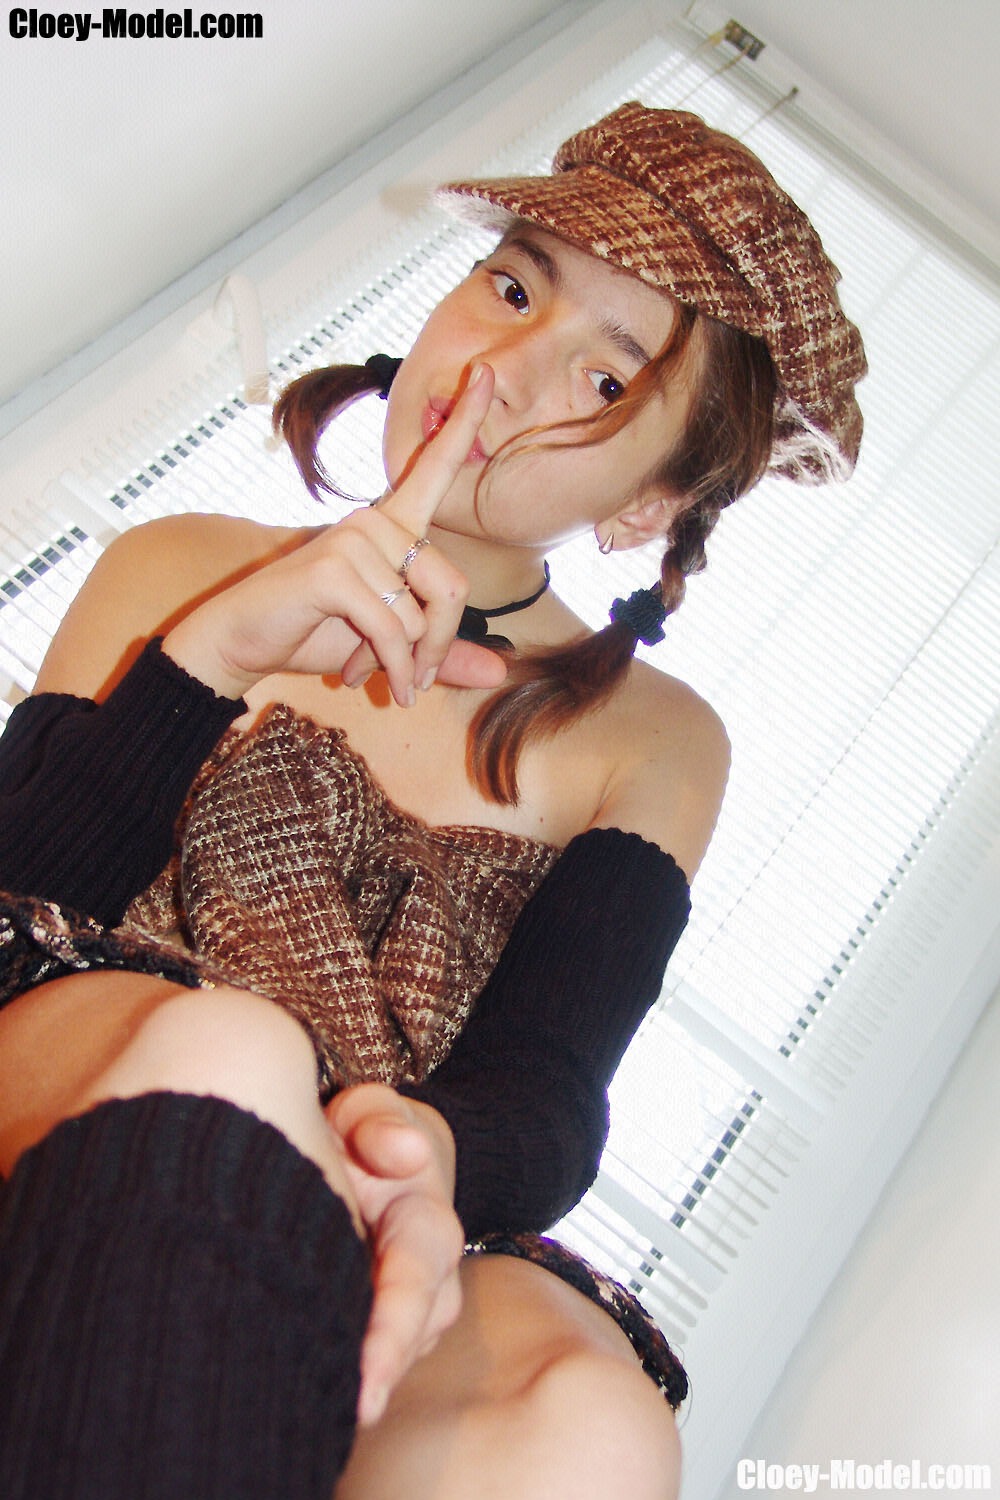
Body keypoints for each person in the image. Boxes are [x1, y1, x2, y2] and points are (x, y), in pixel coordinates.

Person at [0, 104, 865, 1499]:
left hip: (384, 1195)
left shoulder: (657, 740)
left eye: (603, 377)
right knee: (233, 1055)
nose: (503, 368)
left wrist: (423, 1145)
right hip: (63, 1071)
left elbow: (548, 1086)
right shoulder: (181, 561)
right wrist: (210, 659)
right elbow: (19, 901)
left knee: (589, 1413)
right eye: (513, 289)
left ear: (652, 502)